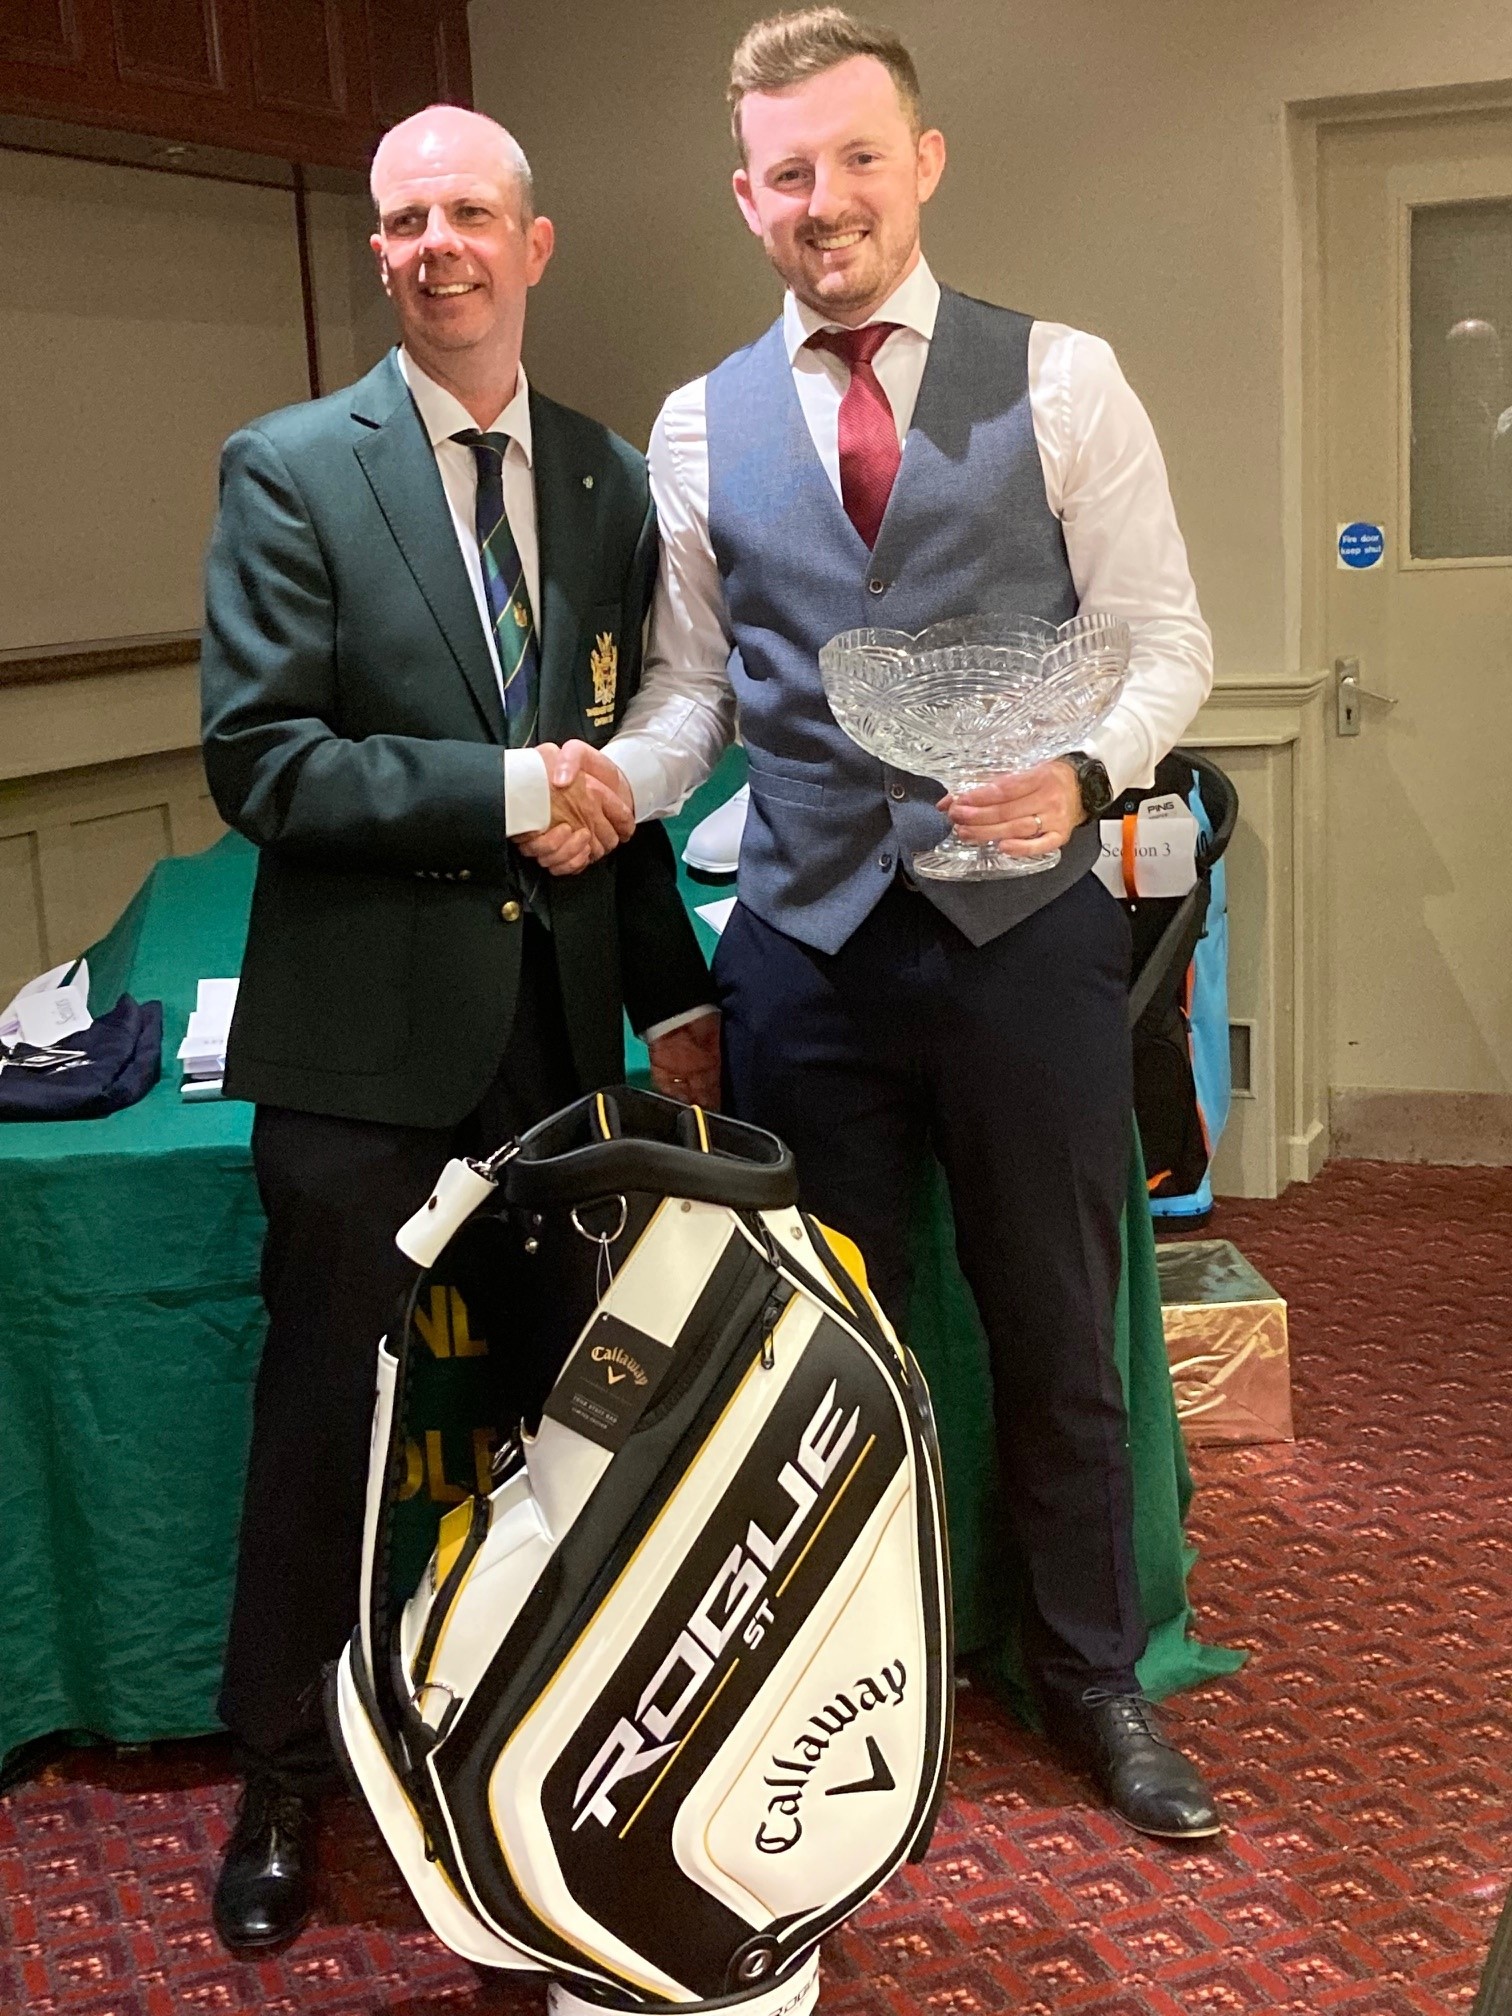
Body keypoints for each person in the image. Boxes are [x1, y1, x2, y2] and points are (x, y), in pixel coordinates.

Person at [596, 8, 1222, 1839]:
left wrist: (1088, 775)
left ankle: (1093, 1679)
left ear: (923, 162)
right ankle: (855, 1673)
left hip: (1026, 937)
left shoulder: (1067, 379)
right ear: (747, 198)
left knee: (1054, 1329)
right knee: (827, 1359)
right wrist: (611, 787)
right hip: (804, 951)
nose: (828, 199)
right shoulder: (697, 423)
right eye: (788, 172)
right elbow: (695, 694)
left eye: (859, 157)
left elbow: (1167, 639)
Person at [199, 104, 719, 1954]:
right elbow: (265, 761)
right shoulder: (288, 468)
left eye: (472, 214)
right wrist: (511, 791)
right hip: (360, 1051)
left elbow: (619, 777)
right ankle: (282, 1773)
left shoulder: (603, 478)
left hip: (557, 1047)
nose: (440, 246)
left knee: (551, 1421)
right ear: (382, 252)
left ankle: (524, 1743)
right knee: (328, 1424)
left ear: (534, 243)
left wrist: (675, 995)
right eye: (408, 220)